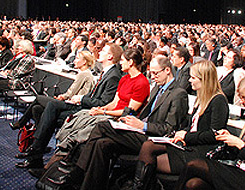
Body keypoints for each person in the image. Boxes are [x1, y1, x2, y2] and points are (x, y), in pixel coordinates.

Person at [56, 57, 189, 190]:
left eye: (155, 73)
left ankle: (77, 171)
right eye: (151, 73)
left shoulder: (178, 93)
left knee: (102, 126)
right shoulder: (157, 88)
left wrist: (142, 126)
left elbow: (169, 129)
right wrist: (130, 121)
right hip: (139, 131)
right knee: (102, 144)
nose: (152, 77)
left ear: (167, 70)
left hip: (152, 139)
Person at [14, 43, 123, 169]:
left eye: (103, 50)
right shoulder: (107, 73)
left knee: (50, 105)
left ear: (110, 56)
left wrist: (81, 99)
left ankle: (35, 150)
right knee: (38, 109)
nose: (99, 51)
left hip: (88, 112)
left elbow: (103, 103)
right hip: (83, 105)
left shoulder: (113, 76)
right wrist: (80, 99)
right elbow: (93, 95)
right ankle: (35, 152)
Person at [176, 74, 245, 190]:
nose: (243, 103)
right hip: (240, 169)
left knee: (193, 165)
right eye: (241, 98)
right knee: (193, 184)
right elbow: (244, 151)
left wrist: (240, 144)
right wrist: (230, 140)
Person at [130, 60, 229, 186]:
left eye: (193, 78)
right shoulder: (201, 99)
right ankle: (139, 185)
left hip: (200, 151)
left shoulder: (218, 101)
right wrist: (180, 135)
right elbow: (192, 126)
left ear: (204, 79)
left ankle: (139, 185)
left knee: (149, 160)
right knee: (148, 146)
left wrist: (186, 136)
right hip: (189, 144)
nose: (189, 81)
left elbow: (214, 135)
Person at [9, 50, 96, 128]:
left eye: (77, 59)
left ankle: (21, 123)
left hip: (74, 104)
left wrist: (62, 97)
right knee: (36, 108)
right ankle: (37, 135)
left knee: (39, 98)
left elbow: (71, 92)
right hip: (71, 101)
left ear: (84, 62)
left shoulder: (84, 74)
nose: (74, 61)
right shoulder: (85, 73)